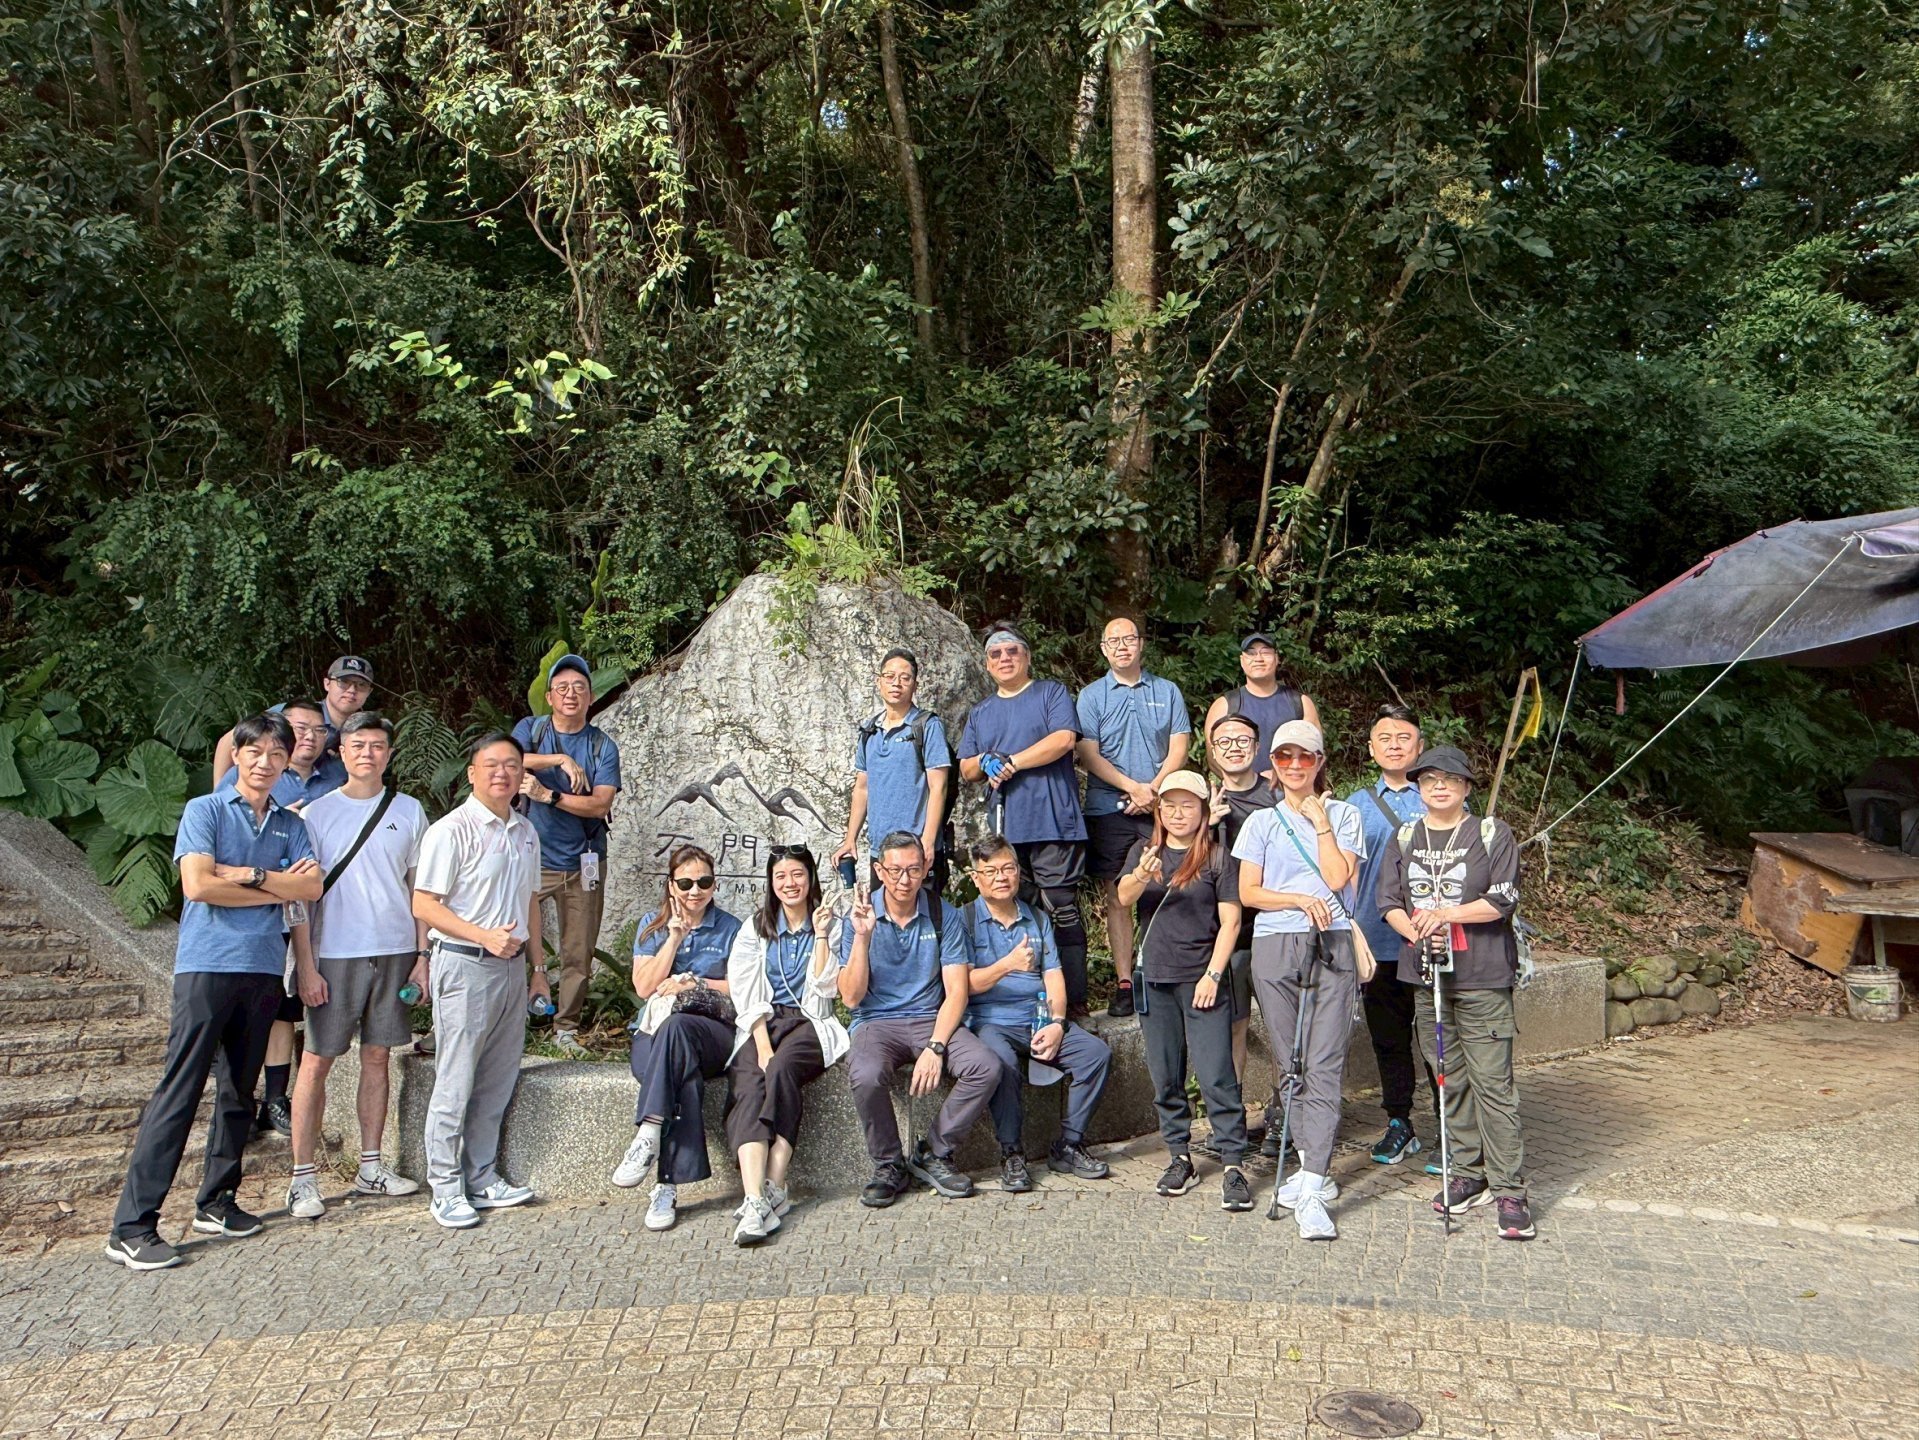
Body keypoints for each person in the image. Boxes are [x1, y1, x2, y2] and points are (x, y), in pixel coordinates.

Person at [105, 713, 322, 1270]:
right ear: (238, 754)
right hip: (207, 966)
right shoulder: (205, 810)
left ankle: (217, 1202)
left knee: (239, 1093)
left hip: (263, 968)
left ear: (286, 763)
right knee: (179, 1091)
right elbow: (198, 885)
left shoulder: (289, 823)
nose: (265, 762)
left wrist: (245, 876)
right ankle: (132, 1227)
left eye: (277, 754)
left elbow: (311, 887)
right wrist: (272, 885)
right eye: (255, 752)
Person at [1378, 744, 1534, 1241]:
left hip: (1482, 978)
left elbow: (1502, 899)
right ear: (1419, 788)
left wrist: (1446, 915)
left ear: (1466, 787)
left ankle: (1510, 1188)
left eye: (1449, 779)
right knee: (1449, 1079)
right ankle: (1468, 1172)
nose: (1439, 786)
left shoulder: (1490, 833)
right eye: (1429, 780)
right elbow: (1389, 902)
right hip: (1428, 979)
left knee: (1493, 1085)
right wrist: (1418, 931)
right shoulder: (1406, 836)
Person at [284, 712, 430, 1220]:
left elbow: (418, 889)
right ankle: (302, 1177)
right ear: (341, 752)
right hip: (334, 952)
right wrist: (306, 966)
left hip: (395, 950)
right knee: (316, 1060)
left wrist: (422, 958)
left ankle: (371, 1165)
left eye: (377, 745)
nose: (368, 753)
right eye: (358, 744)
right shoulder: (315, 815)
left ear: (389, 753)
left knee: (378, 1057)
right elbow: (299, 899)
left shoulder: (409, 810)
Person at [1232, 719, 1363, 1242]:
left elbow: (1337, 878)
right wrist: (1297, 899)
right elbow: (1250, 893)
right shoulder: (1261, 822)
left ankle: (1312, 1183)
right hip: (1275, 944)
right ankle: (1312, 1166)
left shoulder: (1345, 814)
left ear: (1319, 762)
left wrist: (1320, 822)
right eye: (1284, 756)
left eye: (1304, 757)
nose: (1294, 765)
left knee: (1325, 1062)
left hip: (1332, 941)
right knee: (1291, 1062)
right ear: (1273, 764)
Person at [411, 733, 548, 1229]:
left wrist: (538, 970)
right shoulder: (450, 831)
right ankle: (445, 1187)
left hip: (513, 970)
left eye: (512, 765)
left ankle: (482, 1176)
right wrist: (483, 936)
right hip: (464, 966)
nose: (502, 773)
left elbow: (531, 902)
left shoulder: (526, 831)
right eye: (491, 765)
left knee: (497, 1079)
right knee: (456, 1079)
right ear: (471, 773)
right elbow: (424, 904)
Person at [839, 832, 1000, 1207]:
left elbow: (957, 991)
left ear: (927, 868)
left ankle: (934, 1151)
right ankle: (888, 1164)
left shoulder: (943, 914)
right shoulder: (859, 916)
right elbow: (850, 997)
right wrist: (862, 937)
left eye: (913, 869)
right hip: (876, 1020)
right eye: (894, 870)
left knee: (985, 1065)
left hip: (932, 1016)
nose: (904, 880)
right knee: (865, 1073)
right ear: (879, 871)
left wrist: (935, 1047)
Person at [1116, 772, 1249, 1210]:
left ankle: (1233, 1164)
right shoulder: (1144, 850)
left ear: (1203, 810)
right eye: (1169, 805)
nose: (1177, 813)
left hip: (1202, 980)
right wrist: (1141, 873)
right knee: (1165, 1075)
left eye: (1188, 805)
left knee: (1216, 1075)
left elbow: (1231, 921)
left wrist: (1213, 975)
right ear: (1158, 810)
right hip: (1155, 979)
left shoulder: (1217, 857)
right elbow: (1122, 899)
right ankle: (1180, 1156)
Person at [220, 698, 343, 1139]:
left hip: (306, 914)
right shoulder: (252, 777)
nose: (309, 736)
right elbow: (219, 861)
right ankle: (237, 1104)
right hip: (247, 921)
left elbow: (312, 879)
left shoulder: (337, 776)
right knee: (242, 1014)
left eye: (318, 730)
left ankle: (275, 1099)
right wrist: (273, 876)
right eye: (299, 727)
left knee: (282, 1009)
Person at [961, 834, 1112, 1191]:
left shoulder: (1037, 918)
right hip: (990, 1021)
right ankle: (1012, 1153)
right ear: (976, 878)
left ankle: (1069, 1145)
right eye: (991, 871)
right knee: (1001, 1063)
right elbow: (962, 985)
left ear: (1018, 872)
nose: (1001, 877)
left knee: (1095, 1054)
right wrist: (1008, 964)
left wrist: (1058, 1023)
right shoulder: (963, 920)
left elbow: (1054, 976)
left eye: (1008, 868)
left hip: (1038, 1018)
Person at [957, 625, 1091, 1018]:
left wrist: (1012, 761)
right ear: (987, 664)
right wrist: (984, 761)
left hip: (1053, 821)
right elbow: (966, 768)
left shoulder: (1050, 693)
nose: (1004, 658)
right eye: (995, 654)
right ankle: (1030, 1001)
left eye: (1012, 651)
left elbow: (1064, 739)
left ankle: (1075, 1003)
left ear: (1027, 656)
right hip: (1006, 828)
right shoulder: (981, 712)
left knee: (1060, 908)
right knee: (1020, 911)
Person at [610, 844, 743, 1234]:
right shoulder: (652, 925)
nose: (695, 891)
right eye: (685, 883)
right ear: (671, 885)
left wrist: (695, 982)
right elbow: (643, 987)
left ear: (714, 885)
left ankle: (649, 1130)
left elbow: (742, 988)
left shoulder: (731, 928)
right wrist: (673, 939)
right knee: (682, 1073)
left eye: (703, 882)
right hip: (654, 1034)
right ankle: (665, 1186)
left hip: (712, 1033)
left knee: (679, 1028)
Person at [723, 845, 846, 1245]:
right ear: (771, 883)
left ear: (810, 879)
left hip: (810, 1022)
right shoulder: (756, 927)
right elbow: (745, 992)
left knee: (781, 1068)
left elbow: (827, 988)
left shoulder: (830, 924)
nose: (789, 884)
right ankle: (755, 1199)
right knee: (748, 1081)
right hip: (763, 1021)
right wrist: (761, 1043)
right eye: (780, 876)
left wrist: (822, 934)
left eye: (797, 875)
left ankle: (776, 1182)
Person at [1075, 616, 1191, 1019]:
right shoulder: (1091, 696)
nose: (1122, 647)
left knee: (1164, 887)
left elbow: (1179, 746)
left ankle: (1163, 973)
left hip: (1162, 807)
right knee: (1118, 894)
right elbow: (1087, 754)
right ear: (1103, 649)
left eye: (1129, 639)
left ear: (1141, 644)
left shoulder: (1167, 691)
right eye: (1114, 641)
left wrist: (1153, 789)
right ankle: (1126, 981)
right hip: (1109, 808)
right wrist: (1131, 787)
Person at [512, 653, 622, 1057]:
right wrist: (560, 759)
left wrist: (550, 795)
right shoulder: (532, 729)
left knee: (578, 950)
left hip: (583, 861)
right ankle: (510, 1017)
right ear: (549, 697)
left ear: (591, 697)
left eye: (579, 687)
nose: (570, 694)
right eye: (562, 688)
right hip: (531, 861)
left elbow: (600, 804)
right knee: (509, 936)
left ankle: (566, 1027)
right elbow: (507, 759)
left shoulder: (602, 746)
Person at [1345, 704, 1433, 1167]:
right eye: (1385, 737)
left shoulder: (1440, 795)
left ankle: (1453, 1126)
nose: (1394, 745)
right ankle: (1399, 1121)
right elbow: (1346, 872)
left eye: (1403, 737)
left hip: (1434, 938)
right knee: (1389, 1037)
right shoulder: (1356, 805)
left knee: (1439, 1038)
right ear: (1371, 748)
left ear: (1420, 746)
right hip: (1377, 939)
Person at [834, 648, 954, 897]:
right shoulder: (869, 730)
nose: (896, 683)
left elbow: (939, 787)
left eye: (905, 678)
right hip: (881, 852)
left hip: (917, 851)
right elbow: (862, 788)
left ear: (915, 685)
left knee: (925, 916)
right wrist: (850, 838)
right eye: (889, 676)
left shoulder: (927, 726)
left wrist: (928, 841)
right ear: (879, 681)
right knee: (882, 916)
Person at [1203, 710, 1274, 1101]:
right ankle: (1231, 1114)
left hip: (1273, 927)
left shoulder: (1277, 796)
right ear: (1213, 750)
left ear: (1257, 747)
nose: (1234, 748)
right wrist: (1207, 825)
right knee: (1234, 1026)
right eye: (1224, 742)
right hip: (1223, 934)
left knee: (1283, 1025)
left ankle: (1283, 1111)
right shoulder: (1200, 799)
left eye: (1243, 740)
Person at [211, 656, 373, 787]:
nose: (352, 690)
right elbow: (228, 741)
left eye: (361, 685)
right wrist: (220, 790)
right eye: (343, 682)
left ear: (369, 692)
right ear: (327, 684)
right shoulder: (294, 714)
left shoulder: (360, 730)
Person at [1202, 634, 1321, 782]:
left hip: (1290, 789)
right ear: (1242, 661)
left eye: (1265, 652)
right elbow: (1213, 758)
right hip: (1242, 792)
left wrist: (1281, 778)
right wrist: (1246, 784)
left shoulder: (1300, 703)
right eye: (1251, 653)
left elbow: (1315, 753)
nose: (1258, 659)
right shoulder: (1224, 705)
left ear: (1277, 658)